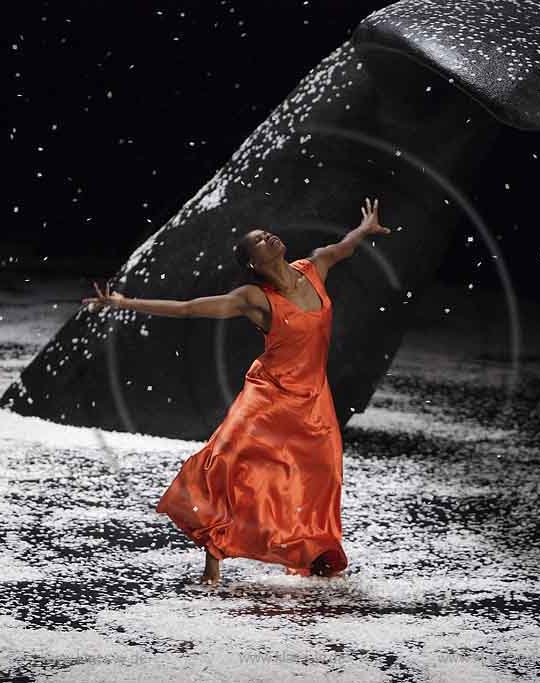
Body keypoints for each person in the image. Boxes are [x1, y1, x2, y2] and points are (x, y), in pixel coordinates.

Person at [82, 197, 391, 584]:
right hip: (269, 396)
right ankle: (215, 553)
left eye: (267, 233)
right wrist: (122, 302)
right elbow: (189, 309)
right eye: (260, 239)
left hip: (313, 401)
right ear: (254, 263)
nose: (269, 236)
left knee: (321, 477)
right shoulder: (254, 299)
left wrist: (365, 228)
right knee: (231, 464)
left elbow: (345, 247)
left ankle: (313, 553)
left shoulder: (315, 266)